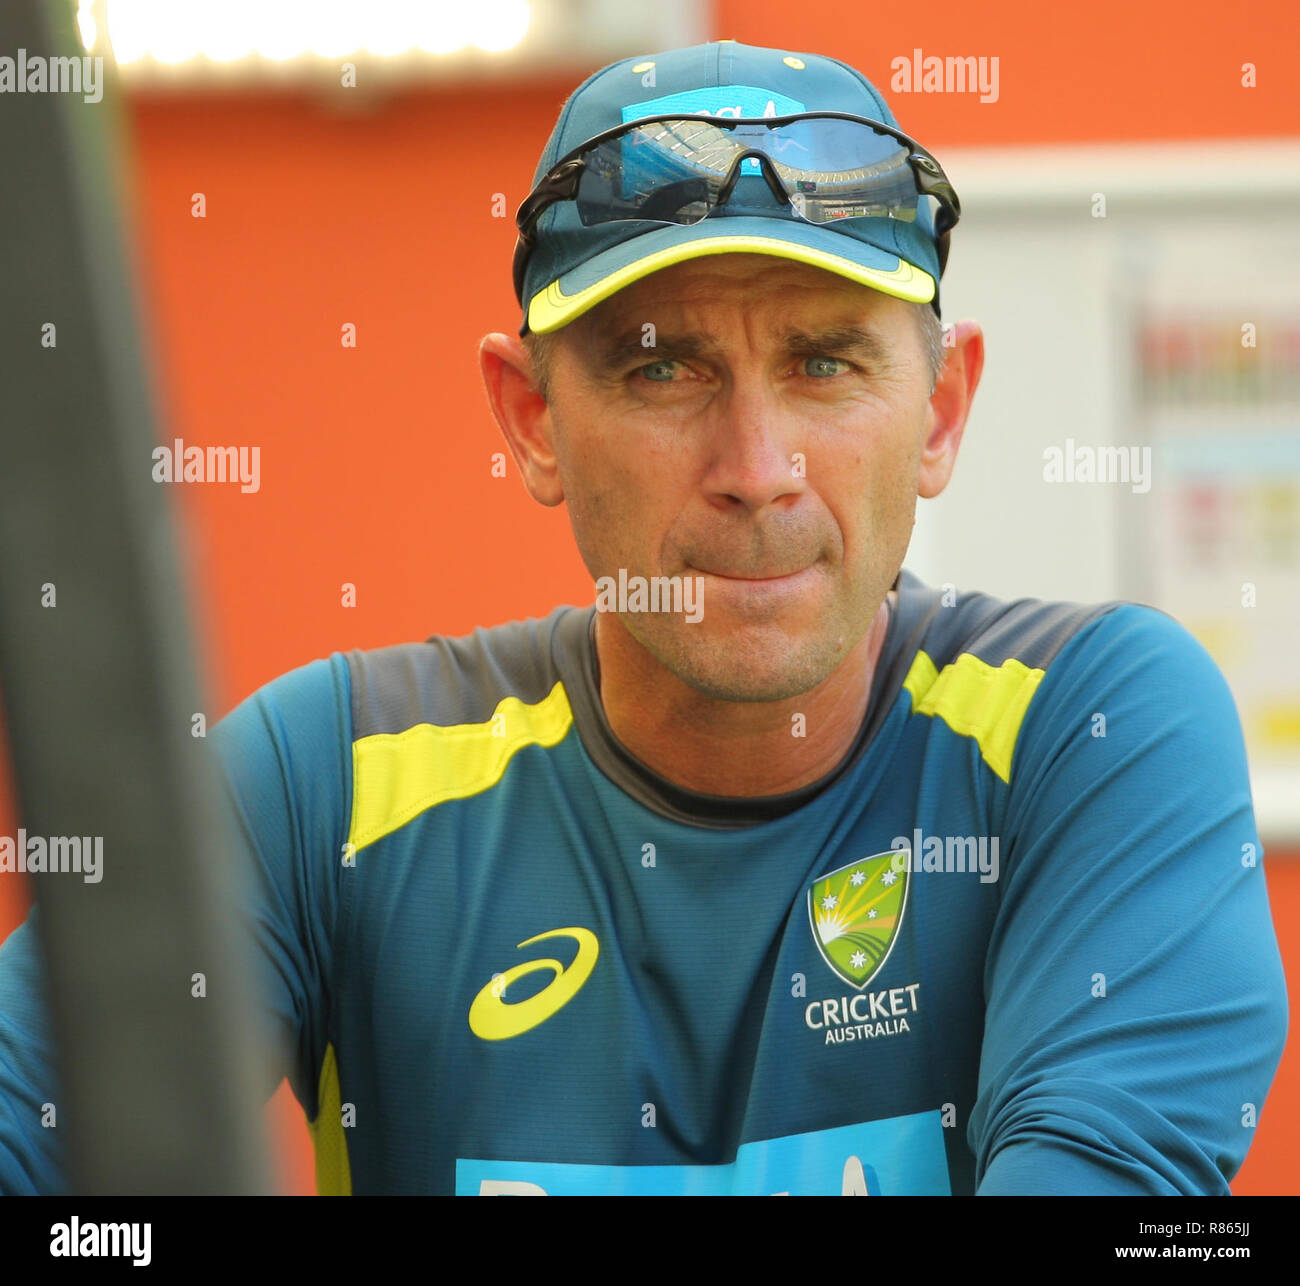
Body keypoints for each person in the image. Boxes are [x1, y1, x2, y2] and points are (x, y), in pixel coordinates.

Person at [0, 39, 1287, 1196]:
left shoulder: (1094, 727)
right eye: (662, 367)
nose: (756, 463)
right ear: (532, 419)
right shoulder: (319, 783)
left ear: (941, 411)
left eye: (825, 361)